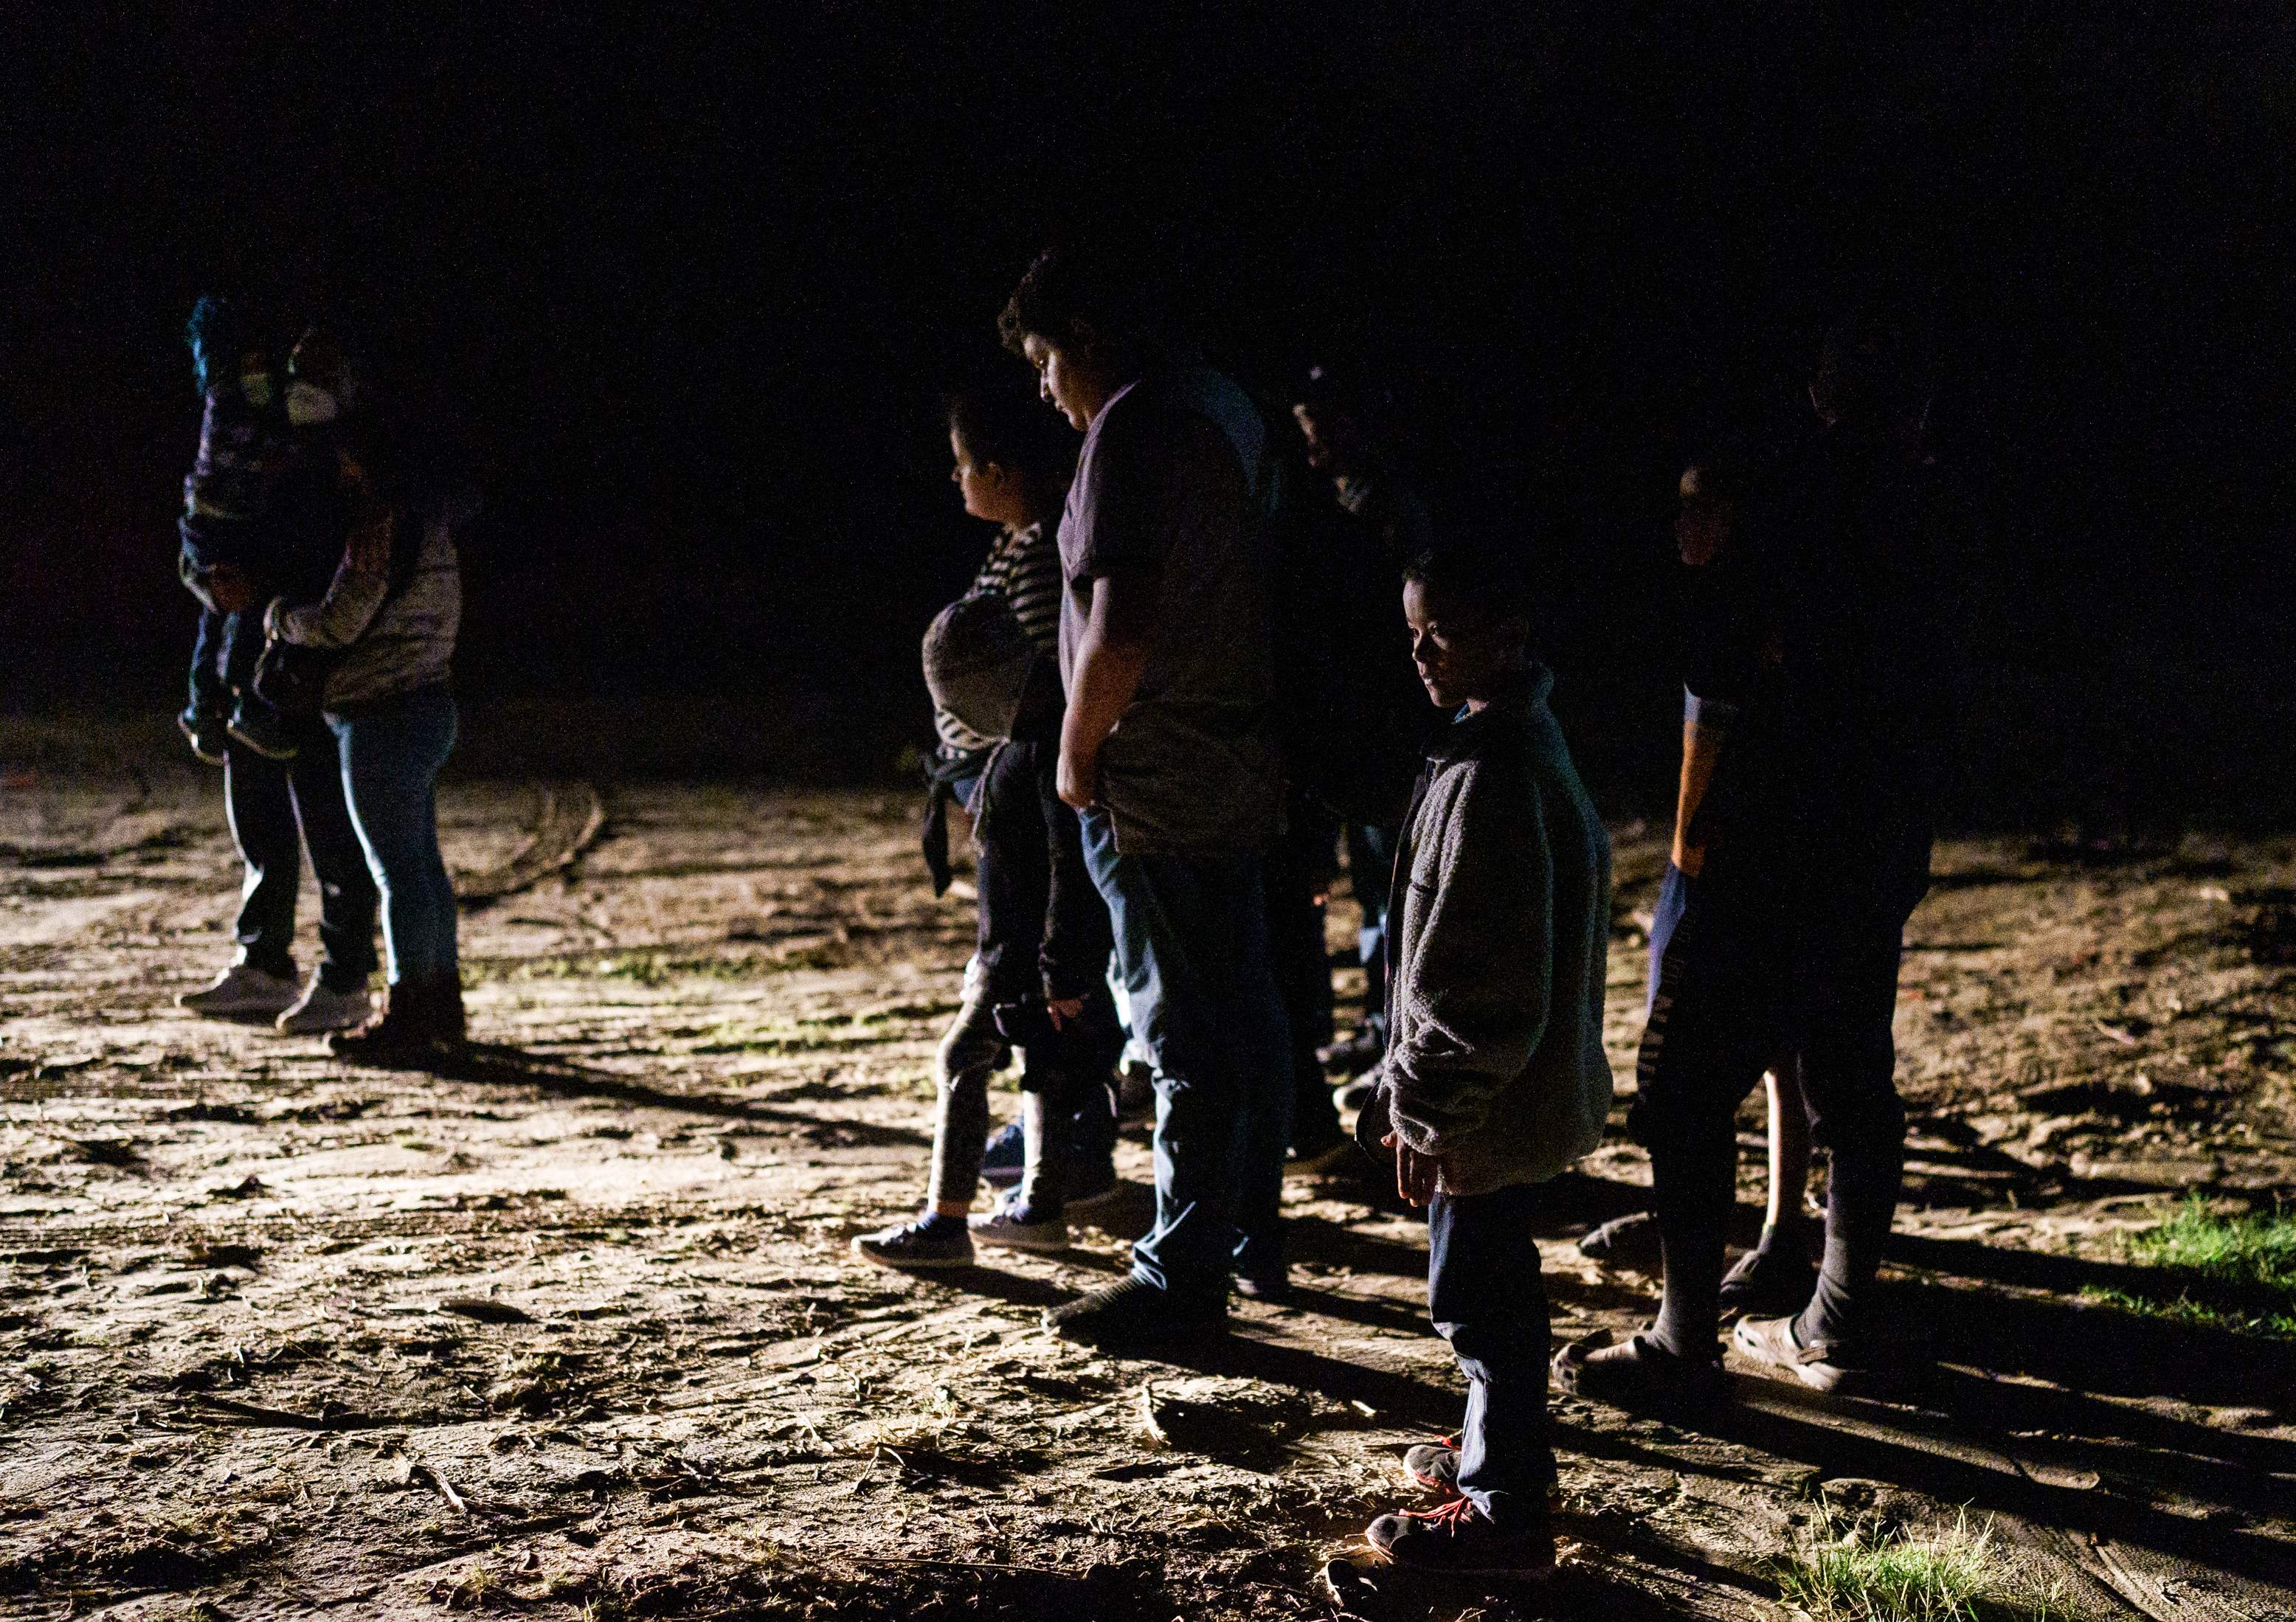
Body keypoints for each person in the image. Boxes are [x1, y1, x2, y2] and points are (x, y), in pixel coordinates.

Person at [1557, 311, 1954, 1403]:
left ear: (1824, 397)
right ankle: (1833, 1316)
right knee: (1850, 1079)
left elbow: (1718, 665)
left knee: (1682, 1090)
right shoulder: (1928, 519)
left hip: (1772, 843)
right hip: (1874, 839)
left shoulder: (1794, 504)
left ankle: (1685, 1342)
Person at [1002, 242, 1292, 1345]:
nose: (1043, 387)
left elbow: (1120, 624)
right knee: (1246, 1012)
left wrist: (1079, 748)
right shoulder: (1228, 409)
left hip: (1158, 771)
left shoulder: (1134, 428)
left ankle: (1180, 1275)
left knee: (1178, 1026)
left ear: (1083, 337)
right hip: (1237, 753)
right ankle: (1248, 1234)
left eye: (1042, 359)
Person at [1355, 542, 1612, 1579]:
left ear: (1508, 637)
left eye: (1441, 634)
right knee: (1494, 1283)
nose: (1418, 652)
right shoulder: (1488, 740)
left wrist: (1425, 1109)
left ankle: (1507, 1512)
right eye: (1411, 629)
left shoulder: (1498, 775)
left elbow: (1485, 996)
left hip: (1491, 1107)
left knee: (1482, 1298)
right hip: (1504, 1101)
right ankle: (1488, 1449)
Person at [855, 381, 1123, 1269]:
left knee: (966, 1056)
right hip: (1023, 934)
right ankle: (1038, 1200)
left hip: (1022, 948)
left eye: (963, 465)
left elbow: (1058, 854)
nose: (955, 480)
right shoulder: (1020, 550)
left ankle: (948, 1220)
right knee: (1039, 1059)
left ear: (1001, 471)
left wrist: (1057, 962)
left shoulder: (1043, 566)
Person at [1574, 456, 1819, 1317]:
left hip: (1724, 874)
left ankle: (1694, 1313)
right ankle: (1769, 1232)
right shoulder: (1766, 606)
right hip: (1738, 865)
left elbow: (1721, 759)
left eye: (1695, 507)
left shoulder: (1737, 612)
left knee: (1685, 1084)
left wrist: (1698, 875)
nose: (1680, 526)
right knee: (1767, 1062)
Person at [263, 327, 469, 1063]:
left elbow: (347, 615)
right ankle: (440, 1000)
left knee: (395, 872)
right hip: (429, 703)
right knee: (422, 866)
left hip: (381, 710)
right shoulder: (434, 528)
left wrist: (283, 619)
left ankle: (409, 1011)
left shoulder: (380, 525)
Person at [175, 300, 379, 1037]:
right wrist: (209, 578)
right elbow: (205, 529)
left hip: (309, 660)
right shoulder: (253, 435)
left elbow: (330, 553)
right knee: (257, 810)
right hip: (250, 652)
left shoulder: (334, 451)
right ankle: (265, 964)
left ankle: (346, 974)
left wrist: (252, 586)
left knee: (331, 825)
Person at [1289, 362, 1431, 1098]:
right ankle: (1383, 1032)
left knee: (1398, 890)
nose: (1312, 448)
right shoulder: (1345, 503)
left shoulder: (1385, 510)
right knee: (1376, 887)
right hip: (1362, 720)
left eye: (1321, 430)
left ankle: (1397, 1042)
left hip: (1391, 722)